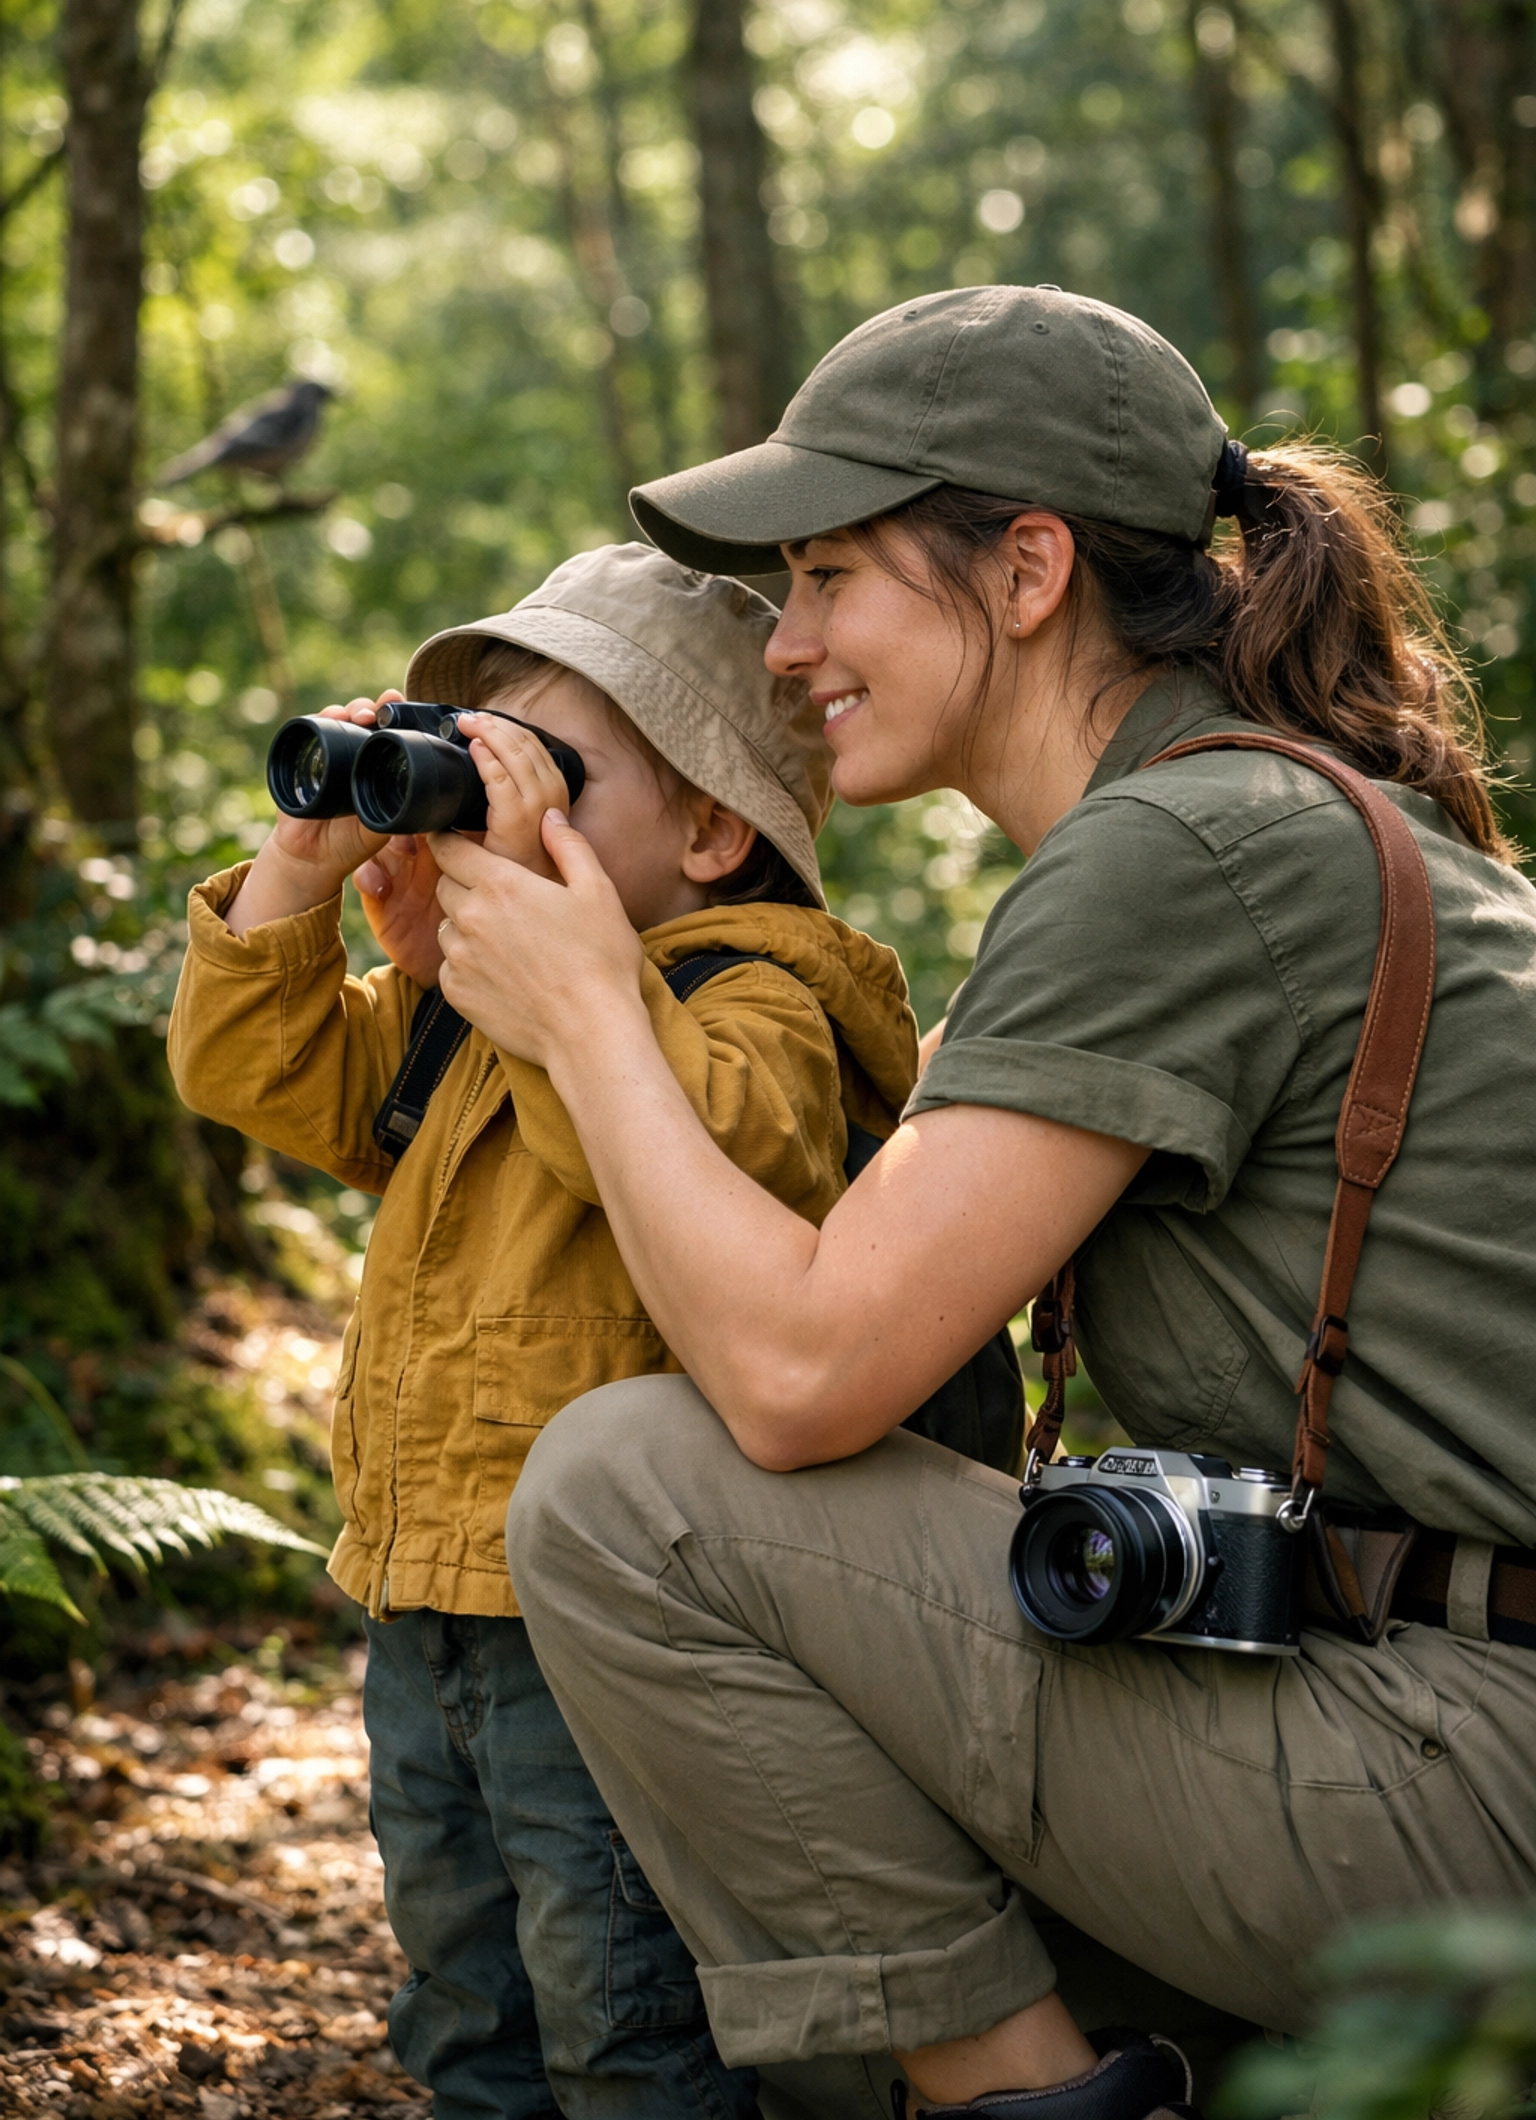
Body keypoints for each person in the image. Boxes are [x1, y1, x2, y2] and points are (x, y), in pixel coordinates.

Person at [414, 287, 1536, 2120]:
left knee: (629, 1499)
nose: (788, 649)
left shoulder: (1181, 852)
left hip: (1464, 1775)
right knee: (790, 1984)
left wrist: (590, 1015)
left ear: (1026, 573)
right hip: (1415, 1717)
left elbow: (794, 1378)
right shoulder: (1246, 819)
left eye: (835, 575)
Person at [167, 544, 920, 2120]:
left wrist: (563, 996)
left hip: (600, 1630)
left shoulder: (756, 1004)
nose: (484, 799)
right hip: (420, 1588)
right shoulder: (478, 1003)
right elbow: (259, 1073)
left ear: (714, 831)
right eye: (465, 758)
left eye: (546, 774)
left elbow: (718, 1158)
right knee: (464, 2001)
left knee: (622, 2008)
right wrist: (306, 868)